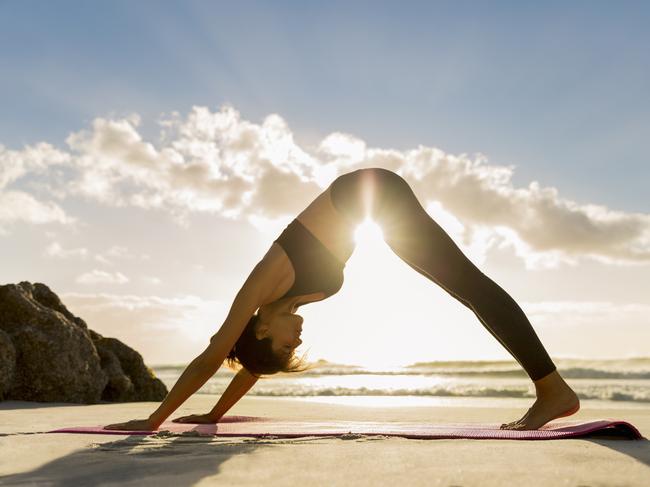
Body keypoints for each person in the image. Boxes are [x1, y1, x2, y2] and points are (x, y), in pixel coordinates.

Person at [104, 167, 580, 432]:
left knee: (471, 287)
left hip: (367, 194)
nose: (298, 342)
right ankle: (550, 388)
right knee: (468, 291)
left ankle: (552, 390)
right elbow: (251, 366)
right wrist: (214, 414)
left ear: (261, 329)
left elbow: (213, 355)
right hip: (374, 204)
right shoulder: (285, 306)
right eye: (294, 351)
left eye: (285, 347)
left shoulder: (260, 285)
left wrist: (153, 421)